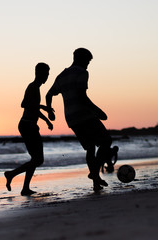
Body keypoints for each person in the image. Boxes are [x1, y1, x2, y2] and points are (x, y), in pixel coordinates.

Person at [46, 48, 118, 192]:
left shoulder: (62, 75)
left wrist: (50, 111)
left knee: (90, 148)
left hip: (72, 119)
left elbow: (49, 94)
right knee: (106, 141)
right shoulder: (82, 72)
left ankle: (96, 184)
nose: (88, 65)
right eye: (87, 61)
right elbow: (81, 96)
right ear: (81, 59)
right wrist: (98, 111)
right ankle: (94, 172)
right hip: (84, 115)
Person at [4, 62, 54, 196]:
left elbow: (31, 106)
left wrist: (46, 119)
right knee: (38, 160)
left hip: (30, 125)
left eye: (48, 74)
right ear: (39, 73)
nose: (47, 76)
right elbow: (25, 104)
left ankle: (25, 188)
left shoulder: (36, 88)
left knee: (35, 159)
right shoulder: (32, 87)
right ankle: (11, 174)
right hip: (27, 125)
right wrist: (43, 108)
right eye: (46, 73)